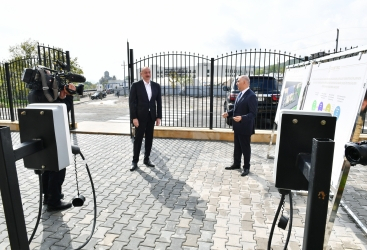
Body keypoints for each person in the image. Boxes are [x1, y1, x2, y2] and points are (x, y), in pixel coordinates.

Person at [28, 79, 76, 212]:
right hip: (55, 136)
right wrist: (69, 96)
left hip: (44, 134)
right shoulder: (50, 98)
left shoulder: (35, 95)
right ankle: (54, 201)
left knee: (47, 167)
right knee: (58, 168)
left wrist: (60, 97)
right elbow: (63, 111)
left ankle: (47, 197)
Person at [222, 75, 258, 176]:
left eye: (238, 81)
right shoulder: (240, 94)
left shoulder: (251, 96)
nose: (236, 83)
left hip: (245, 127)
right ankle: (236, 164)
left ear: (245, 82)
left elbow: (253, 113)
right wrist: (228, 113)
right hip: (238, 127)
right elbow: (236, 109)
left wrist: (242, 118)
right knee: (237, 147)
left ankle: (246, 167)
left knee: (245, 148)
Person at [129, 66, 162, 171]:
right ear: (141, 74)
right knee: (138, 140)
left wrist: (158, 117)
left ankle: (146, 159)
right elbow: (132, 103)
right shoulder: (136, 85)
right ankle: (135, 161)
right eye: (145, 72)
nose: (148, 74)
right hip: (139, 117)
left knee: (149, 139)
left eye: (149, 72)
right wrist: (134, 117)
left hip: (151, 117)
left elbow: (159, 102)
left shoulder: (156, 86)